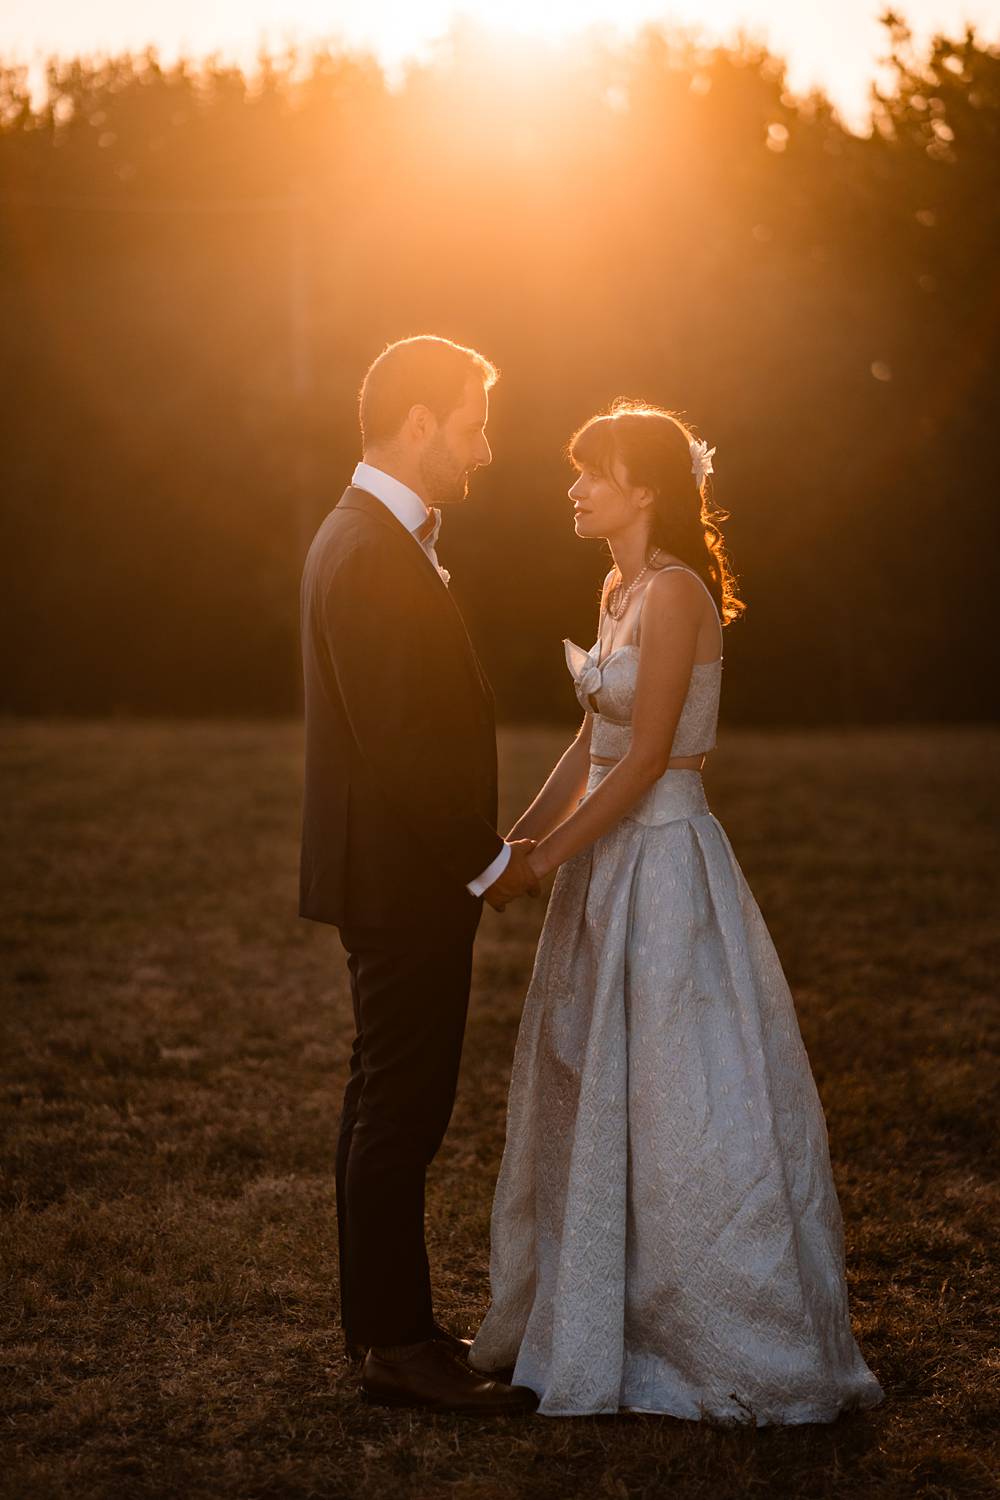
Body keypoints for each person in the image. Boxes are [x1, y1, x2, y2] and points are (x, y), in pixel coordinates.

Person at [469, 400, 884, 1424]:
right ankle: (594, 1311)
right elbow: (589, 745)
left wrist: (548, 859)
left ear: (644, 486)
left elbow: (649, 758)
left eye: (591, 471)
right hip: (598, 868)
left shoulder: (677, 592)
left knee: (672, 1083)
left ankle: (713, 1327)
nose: (572, 488)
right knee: (587, 1079)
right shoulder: (613, 585)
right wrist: (513, 845)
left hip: (660, 858)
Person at [299, 335, 538, 1415]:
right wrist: (488, 861)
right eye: (473, 425)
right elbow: (396, 740)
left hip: (394, 876)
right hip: (402, 882)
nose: (482, 451)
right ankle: (393, 1346)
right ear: (420, 421)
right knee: (401, 1106)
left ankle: (386, 1329)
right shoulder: (364, 549)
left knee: (386, 1101)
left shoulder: (372, 537)